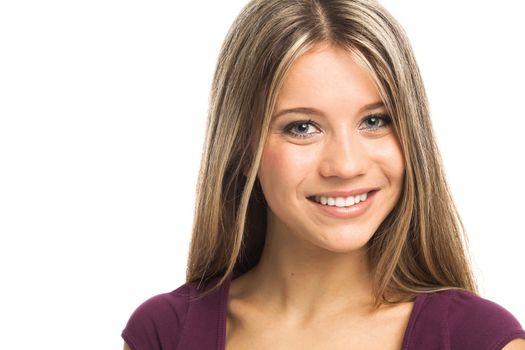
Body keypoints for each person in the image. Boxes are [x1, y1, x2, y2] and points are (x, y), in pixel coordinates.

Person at [121, 0, 525, 349]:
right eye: (302, 127)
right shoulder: (164, 334)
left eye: (375, 120)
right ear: (242, 146)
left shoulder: (478, 338)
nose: (346, 165)